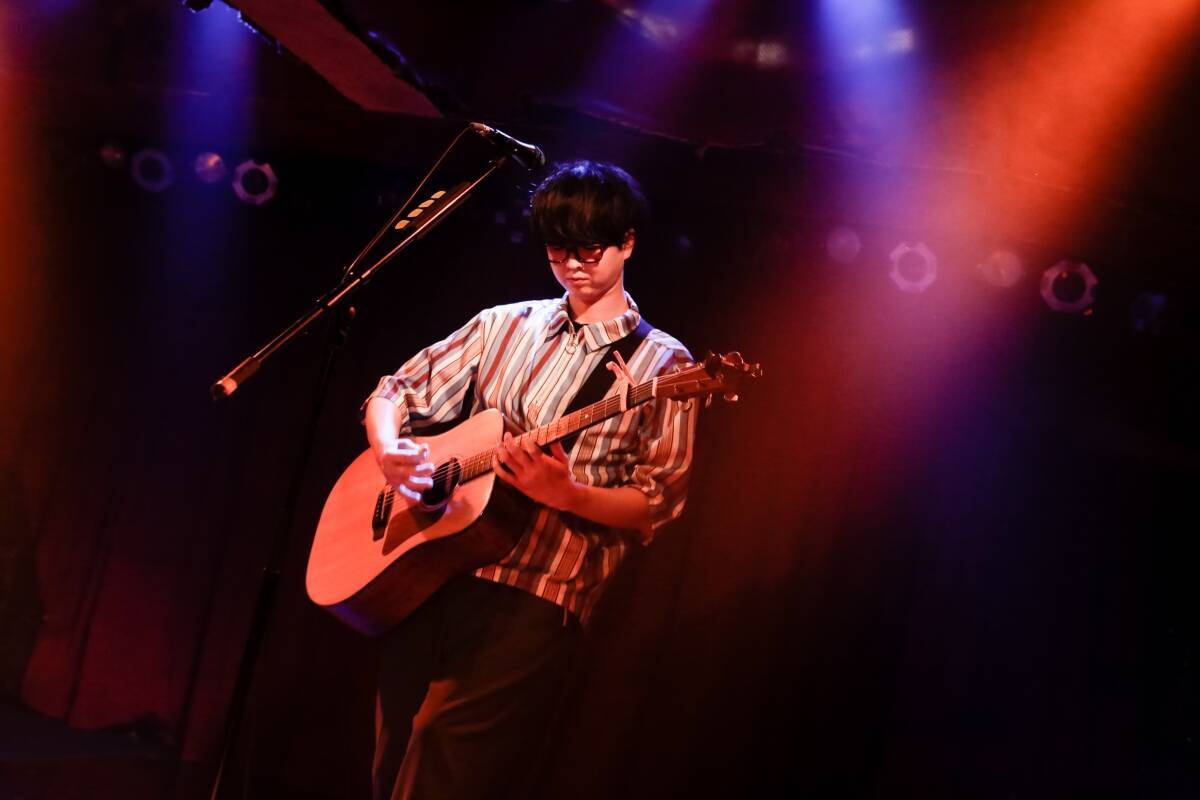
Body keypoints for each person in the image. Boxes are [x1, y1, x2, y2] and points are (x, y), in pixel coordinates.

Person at [362, 160, 697, 800]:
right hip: (438, 565)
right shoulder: (504, 324)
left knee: (442, 750)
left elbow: (659, 501)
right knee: (394, 743)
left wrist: (567, 494)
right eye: (557, 250)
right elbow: (395, 390)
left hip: (540, 588)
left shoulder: (664, 363)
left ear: (627, 242)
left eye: (589, 250)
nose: (572, 265)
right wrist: (388, 450)